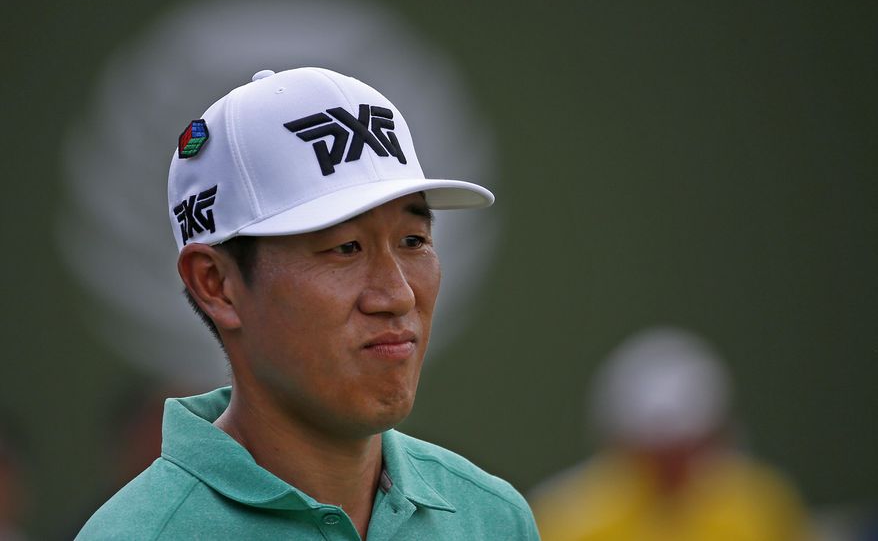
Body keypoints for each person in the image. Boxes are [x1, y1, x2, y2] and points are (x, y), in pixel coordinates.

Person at [77, 67, 539, 540]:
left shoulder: (491, 517)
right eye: (345, 248)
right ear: (215, 283)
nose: (398, 295)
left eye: (413, 240)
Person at [529, 327, 812, 541]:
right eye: (656, 453)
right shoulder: (568, 517)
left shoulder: (760, 505)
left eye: (686, 449)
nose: (672, 467)